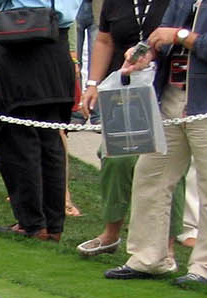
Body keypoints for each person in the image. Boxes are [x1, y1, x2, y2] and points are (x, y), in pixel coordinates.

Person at [103, 0, 207, 286]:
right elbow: (160, 39)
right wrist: (144, 55)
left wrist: (180, 36)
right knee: (151, 175)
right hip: (171, 98)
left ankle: (203, 268)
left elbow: (177, 35)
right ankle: (149, 259)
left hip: (203, 105)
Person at [0, 0, 83, 240]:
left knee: (18, 141)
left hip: (21, 45)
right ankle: (52, 225)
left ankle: (33, 223)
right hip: (56, 48)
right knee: (50, 142)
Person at [77, 0, 172, 257]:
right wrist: (93, 84)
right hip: (125, 88)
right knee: (115, 158)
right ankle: (111, 234)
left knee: (166, 163)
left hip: (166, 89)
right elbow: (104, 40)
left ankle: (167, 244)